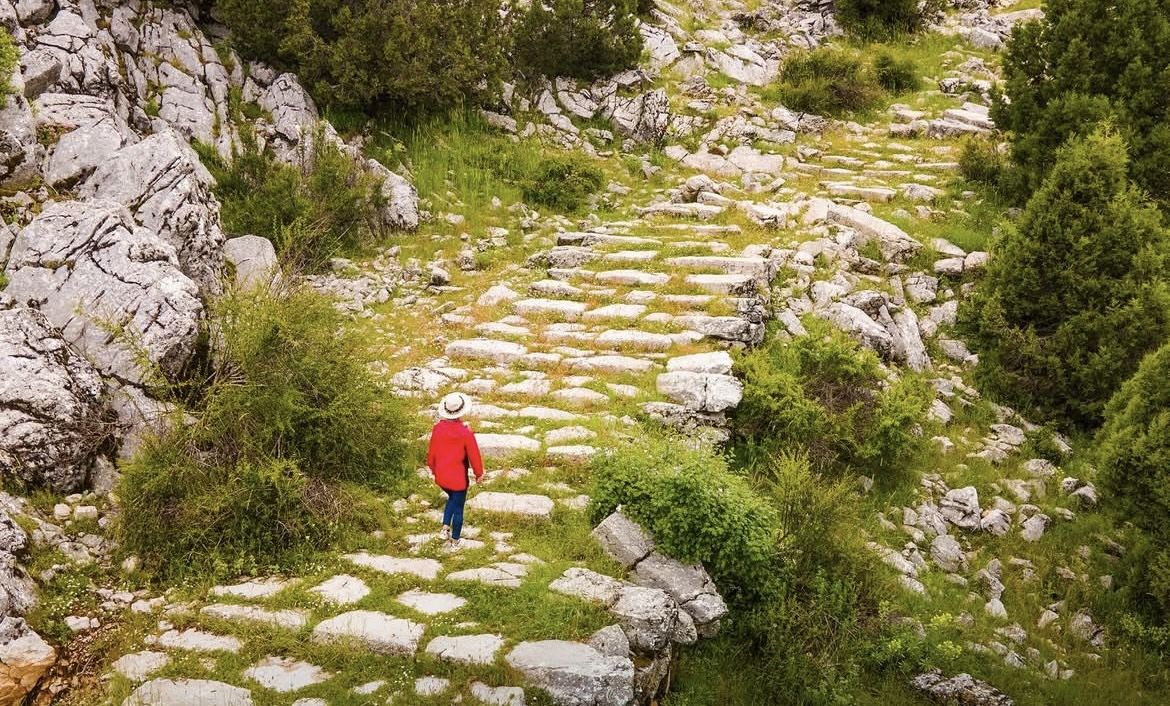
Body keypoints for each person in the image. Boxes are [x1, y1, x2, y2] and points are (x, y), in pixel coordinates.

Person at [426, 392, 484, 548]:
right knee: (458, 507)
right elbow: (474, 455)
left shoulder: (437, 428)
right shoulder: (465, 432)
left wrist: (432, 468)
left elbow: (432, 451)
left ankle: (445, 527)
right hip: (458, 479)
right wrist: (479, 473)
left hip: (441, 475)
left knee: (452, 498)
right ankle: (456, 540)